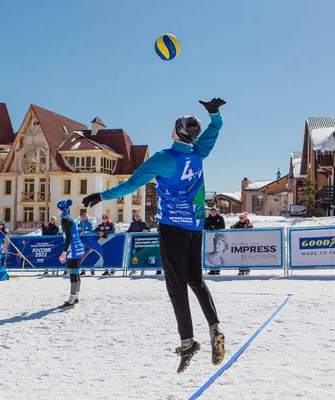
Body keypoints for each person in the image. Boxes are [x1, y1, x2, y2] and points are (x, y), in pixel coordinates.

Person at [82, 98, 227, 373]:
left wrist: (101, 195)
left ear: (176, 131)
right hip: (195, 227)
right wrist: (214, 113)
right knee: (195, 279)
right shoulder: (198, 153)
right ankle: (214, 327)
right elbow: (215, 129)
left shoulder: (164, 158)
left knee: (176, 286)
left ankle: (188, 343)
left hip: (173, 228)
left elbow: (129, 185)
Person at [56, 200, 85, 309]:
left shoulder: (64, 220)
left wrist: (64, 253)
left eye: (57, 208)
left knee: (73, 273)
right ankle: (75, 297)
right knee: (76, 273)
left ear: (61, 209)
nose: (56, 209)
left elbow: (69, 238)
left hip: (73, 249)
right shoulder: (71, 218)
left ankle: (71, 301)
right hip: (78, 248)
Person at [204, 208, 226, 275]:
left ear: (217, 212)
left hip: (218, 236)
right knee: (212, 251)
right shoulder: (207, 219)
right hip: (209, 238)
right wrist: (209, 228)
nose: (213, 213)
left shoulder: (220, 218)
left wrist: (215, 227)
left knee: (217, 252)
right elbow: (204, 226)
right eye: (212, 212)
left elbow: (222, 226)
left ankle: (217, 269)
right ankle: (212, 269)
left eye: (214, 212)